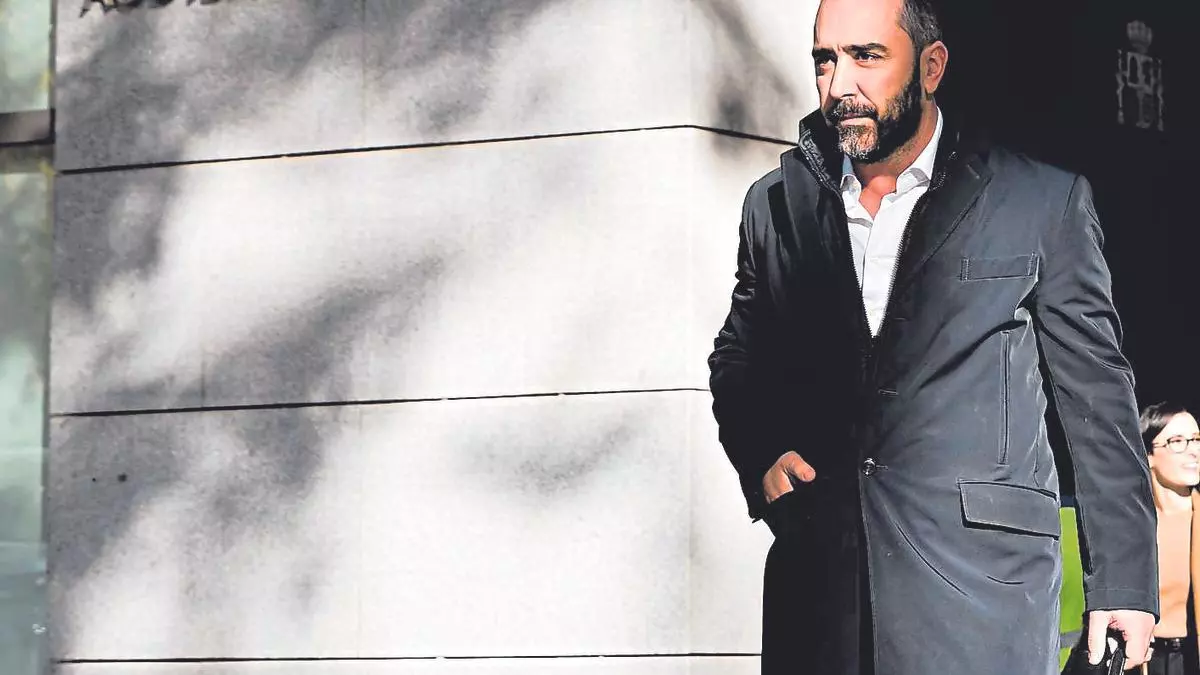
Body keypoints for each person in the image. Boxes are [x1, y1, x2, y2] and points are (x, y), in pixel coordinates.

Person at [705, 0, 1159, 673]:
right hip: (823, 601)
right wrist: (761, 450)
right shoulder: (776, 204)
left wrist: (1122, 582)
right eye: (825, 61)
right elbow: (739, 356)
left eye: (866, 56)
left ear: (932, 66)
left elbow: (1097, 398)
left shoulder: (1038, 201)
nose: (840, 84)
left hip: (982, 595)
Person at [1137, 402, 1199, 674]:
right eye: (1177, 442)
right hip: (1142, 660)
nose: (1193, 450)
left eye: (1196, 439)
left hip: (1191, 659)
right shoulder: (1130, 527)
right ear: (1149, 454)